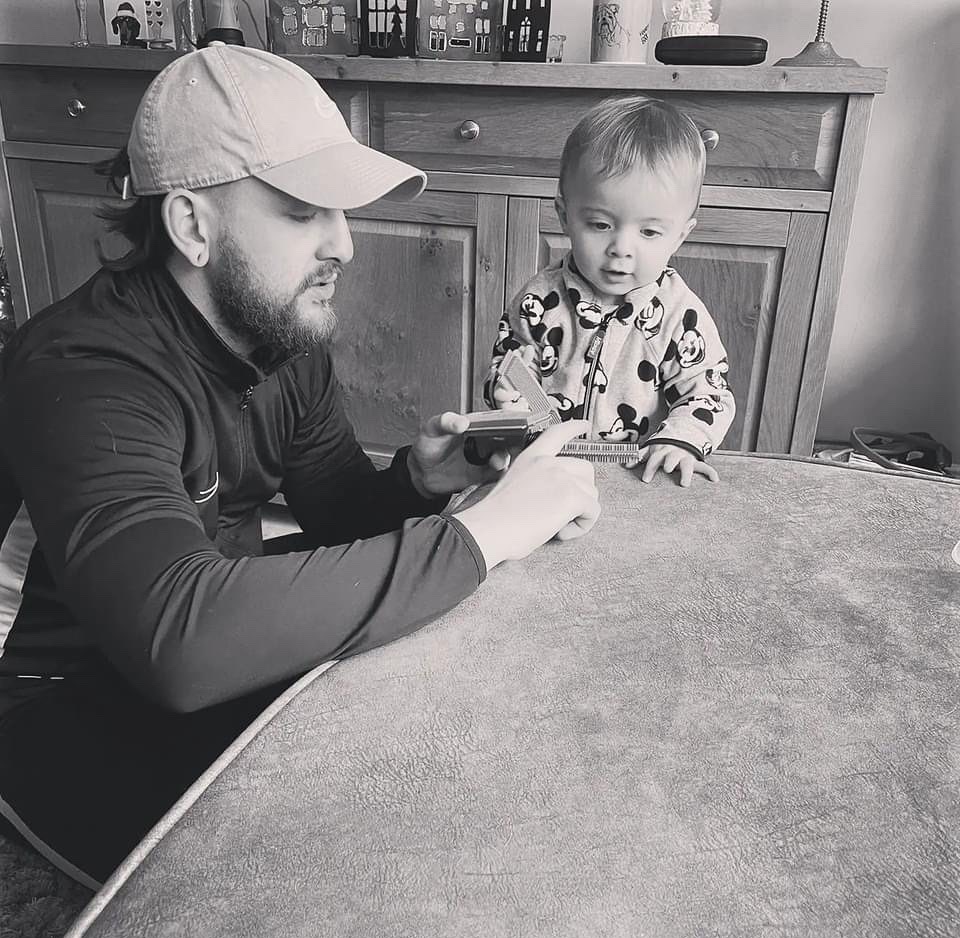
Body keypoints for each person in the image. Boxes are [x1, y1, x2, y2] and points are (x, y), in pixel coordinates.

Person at [0, 45, 599, 886]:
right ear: (192, 226)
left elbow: (337, 515)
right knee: (370, 853)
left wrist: (420, 484)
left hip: (202, 623)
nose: (344, 244)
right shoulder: (84, 374)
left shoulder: (277, 333)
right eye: (302, 211)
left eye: (341, 211)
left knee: (457, 705)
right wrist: (485, 533)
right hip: (55, 707)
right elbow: (182, 641)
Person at [484, 96, 736, 488]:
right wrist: (507, 394)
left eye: (649, 231)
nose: (621, 248)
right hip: (541, 467)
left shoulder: (677, 312)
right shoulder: (538, 300)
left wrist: (680, 441)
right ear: (565, 216)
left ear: (680, 236)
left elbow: (708, 391)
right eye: (601, 225)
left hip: (635, 475)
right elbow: (509, 363)